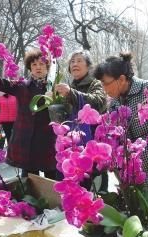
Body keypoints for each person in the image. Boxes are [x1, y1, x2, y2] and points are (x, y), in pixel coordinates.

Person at [0, 48, 57, 180]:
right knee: (29, 180)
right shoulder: (21, 86)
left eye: (42, 64)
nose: (38, 67)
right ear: (29, 67)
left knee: (52, 178)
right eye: (34, 64)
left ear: (48, 67)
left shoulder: (55, 88)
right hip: (27, 140)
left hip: (48, 140)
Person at [93, 52, 148, 184]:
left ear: (121, 79)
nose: (104, 89)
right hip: (132, 171)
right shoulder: (114, 102)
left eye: (106, 83)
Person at [54, 50, 108, 191]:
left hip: (93, 142)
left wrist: (71, 94)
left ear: (89, 66)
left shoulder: (96, 83)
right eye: (72, 61)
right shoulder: (69, 87)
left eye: (79, 60)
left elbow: (99, 102)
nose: (75, 64)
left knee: (94, 182)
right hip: (74, 143)